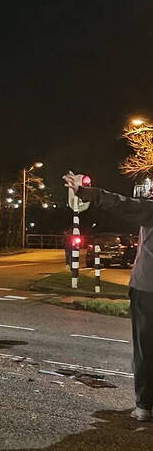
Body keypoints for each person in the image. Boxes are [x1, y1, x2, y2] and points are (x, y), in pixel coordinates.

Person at [65, 171, 153, 421]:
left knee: (146, 348)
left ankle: (144, 406)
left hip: (148, 288)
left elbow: (122, 204)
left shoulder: (150, 209)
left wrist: (84, 192)